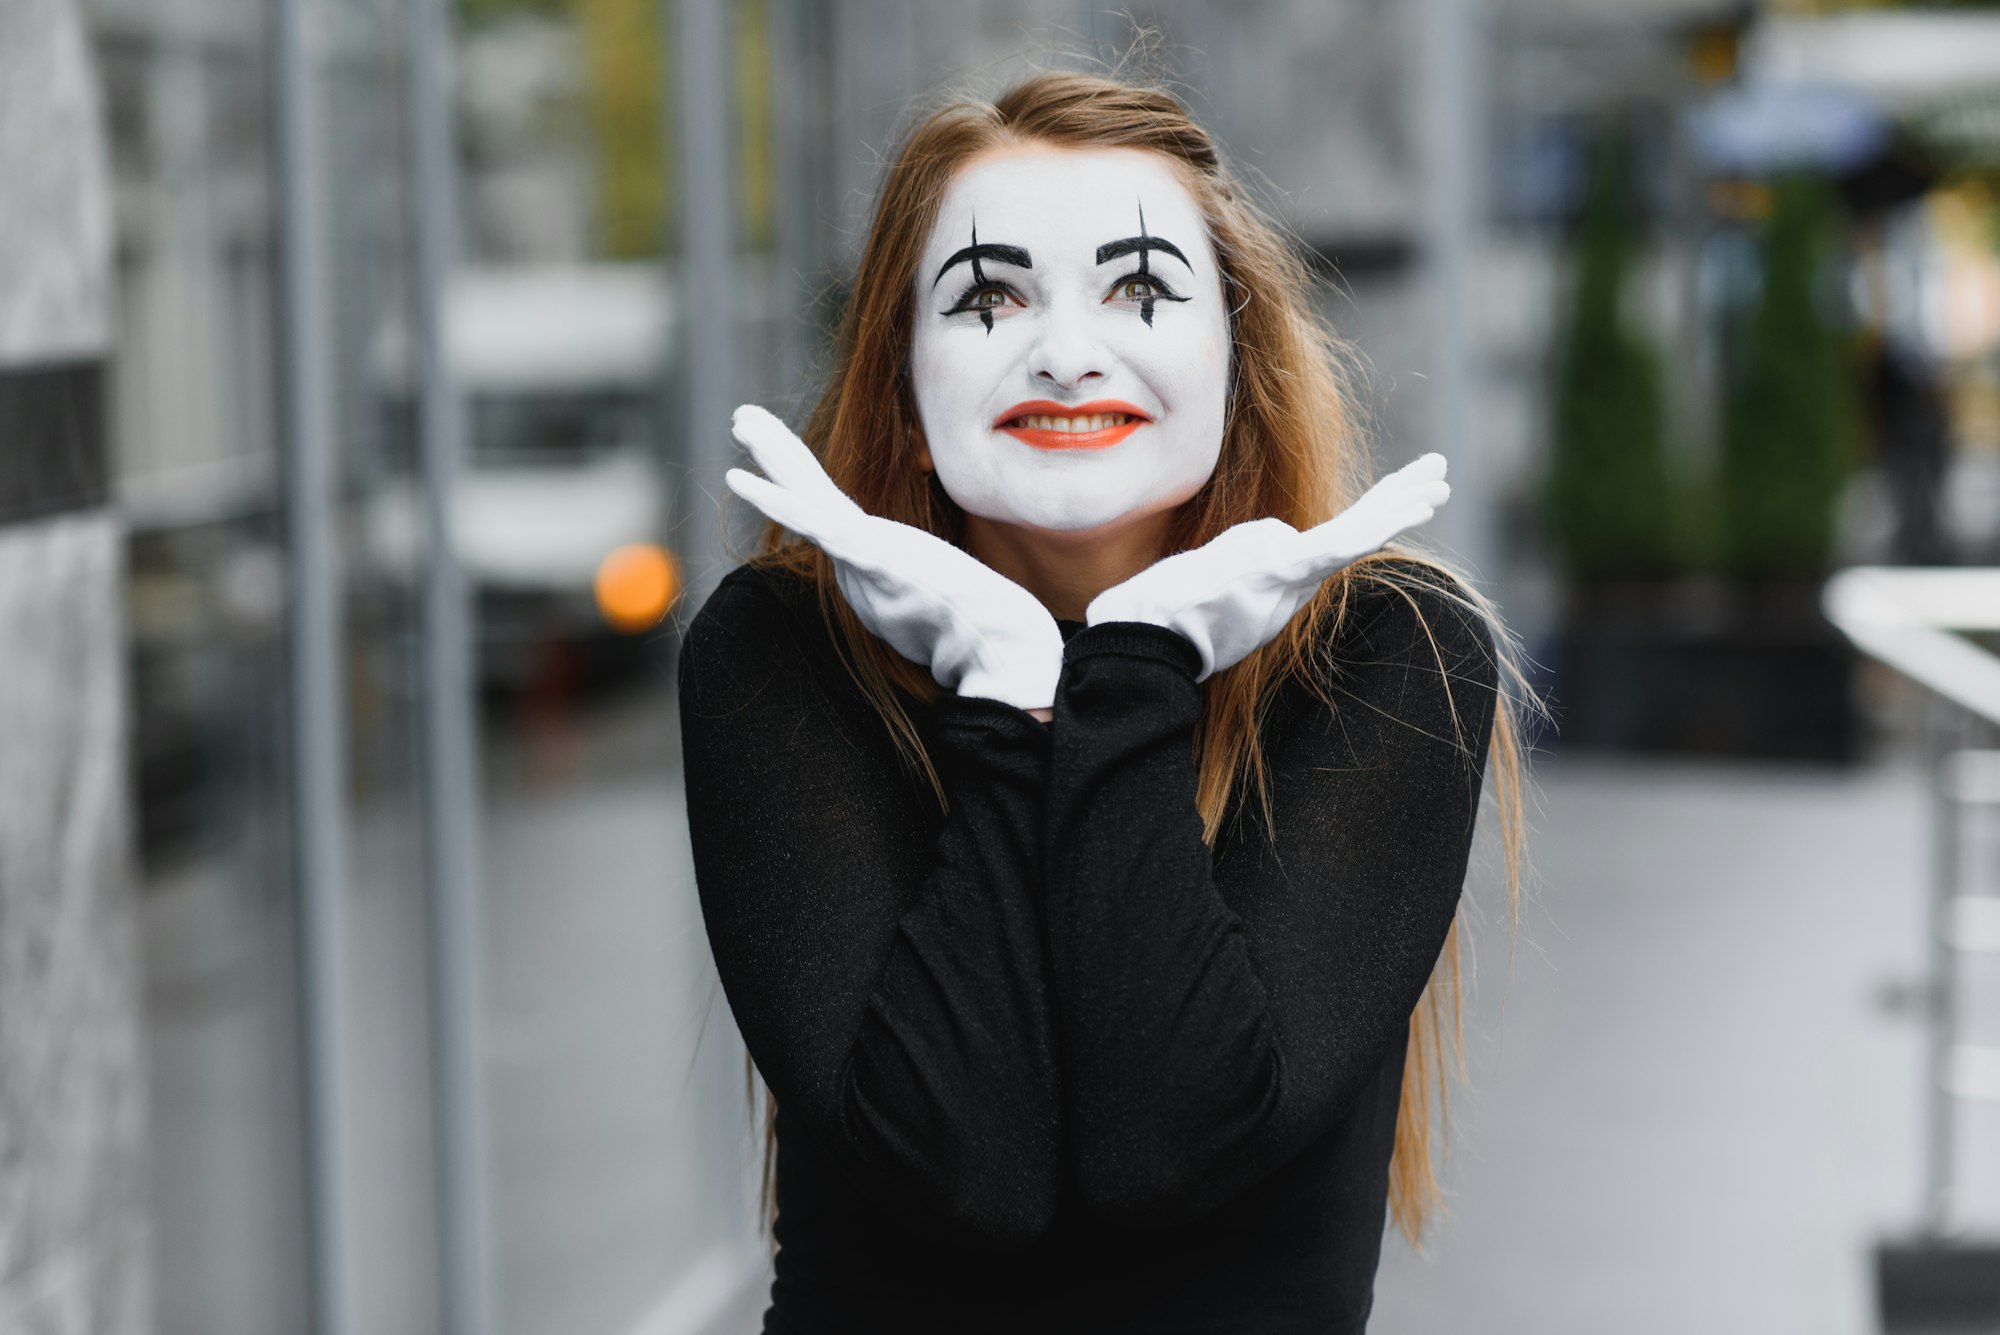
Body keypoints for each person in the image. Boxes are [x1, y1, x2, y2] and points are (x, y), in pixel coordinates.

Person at [677, 68, 1531, 1335]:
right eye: (988, 297)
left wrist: (1125, 669)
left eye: (1137, 290)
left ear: (1233, 366)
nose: (1067, 355)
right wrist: (1010, 688)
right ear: (905, 395)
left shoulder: (1384, 654)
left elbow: (1168, 1143)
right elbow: (971, 1170)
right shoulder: (784, 654)